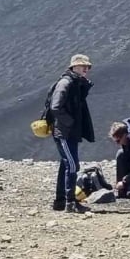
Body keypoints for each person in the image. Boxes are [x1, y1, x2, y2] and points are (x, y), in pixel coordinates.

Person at [48, 53, 96, 213]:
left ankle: (61, 201)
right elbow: (56, 107)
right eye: (84, 66)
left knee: (66, 164)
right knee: (73, 165)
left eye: (88, 67)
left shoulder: (75, 83)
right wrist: (70, 122)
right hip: (64, 132)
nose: (86, 69)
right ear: (74, 67)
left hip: (70, 132)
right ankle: (70, 203)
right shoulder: (66, 83)